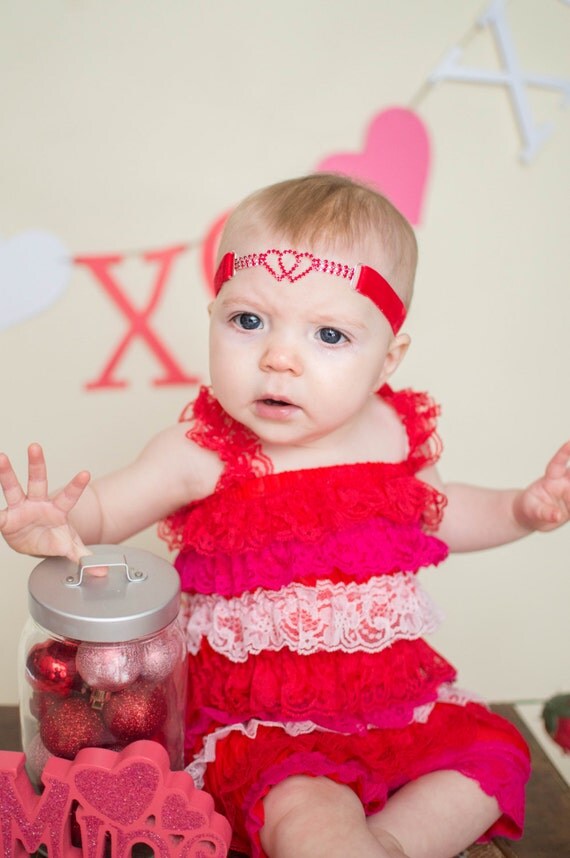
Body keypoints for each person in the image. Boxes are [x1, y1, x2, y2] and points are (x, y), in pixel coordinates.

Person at [1, 174, 569, 858]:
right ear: (212, 316)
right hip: (267, 723)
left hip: (391, 699)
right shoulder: (201, 450)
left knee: (487, 762)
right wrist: (58, 522)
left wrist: (520, 508)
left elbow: (444, 516)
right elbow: (107, 508)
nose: (279, 358)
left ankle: (388, 843)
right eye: (248, 321)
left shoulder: (393, 432)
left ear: (387, 358)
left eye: (329, 334)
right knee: (306, 811)